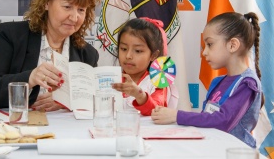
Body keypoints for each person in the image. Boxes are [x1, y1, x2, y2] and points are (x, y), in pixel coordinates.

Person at [151, 12, 262, 148]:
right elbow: (207, 118)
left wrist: (176, 116)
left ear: (232, 45)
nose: (204, 52)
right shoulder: (218, 82)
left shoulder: (247, 84)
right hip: (213, 149)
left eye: (210, 44)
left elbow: (223, 121)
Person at [111, 17, 178, 116]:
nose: (128, 56)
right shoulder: (111, 79)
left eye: (138, 51)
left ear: (153, 55)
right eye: (124, 49)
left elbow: (157, 111)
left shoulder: (157, 82)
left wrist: (140, 95)